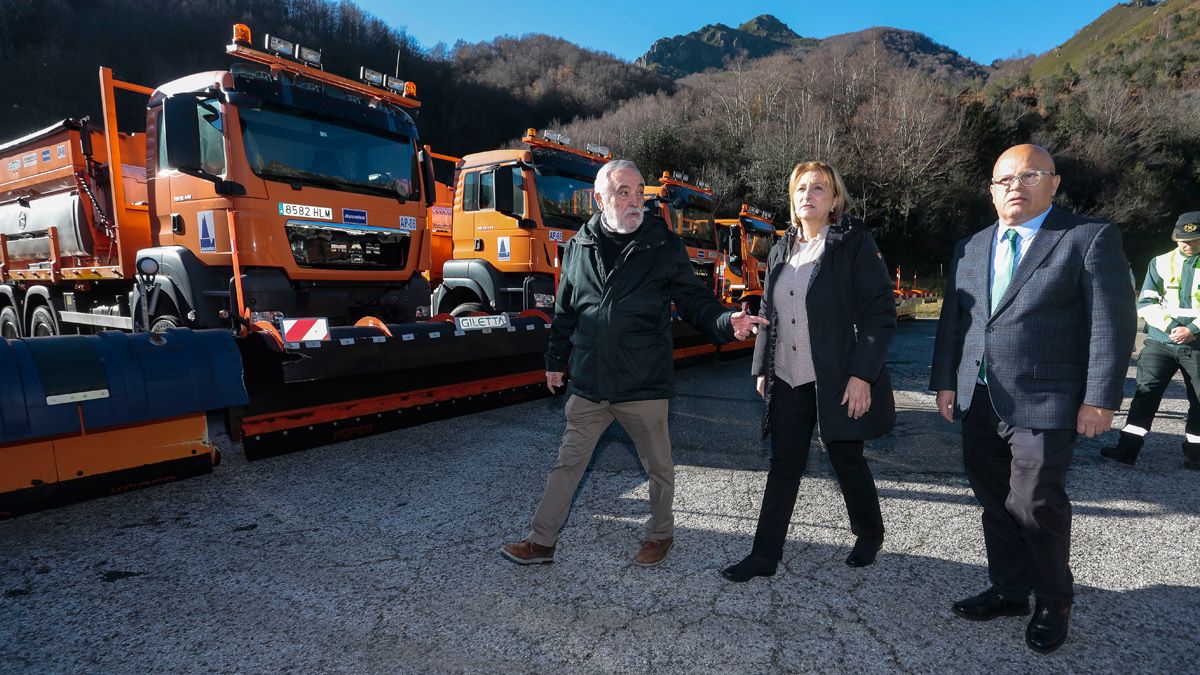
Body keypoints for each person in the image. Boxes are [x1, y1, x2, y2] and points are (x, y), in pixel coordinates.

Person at [501, 160, 768, 567]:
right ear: (599, 198)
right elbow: (566, 311)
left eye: (638, 191)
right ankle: (541, 542)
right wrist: (556, 360)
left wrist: (725, 321)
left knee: (658, 467)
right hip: (590, 380)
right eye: (623, 191)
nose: (634, 200)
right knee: (568, 462)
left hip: (643, 380)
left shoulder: (663, 246)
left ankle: (660, 534)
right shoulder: (579, 246)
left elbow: (695, 301)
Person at [930, 144, 1136, 654]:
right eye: (1004, 180)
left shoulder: (1087, 238)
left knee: (1035, 503)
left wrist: (1100, 399)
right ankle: (1008, 589)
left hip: (1048, 399)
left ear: (1054, 182)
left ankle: (1053, 601)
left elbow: (1113, 324)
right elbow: (956, 321)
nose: (1014, 187)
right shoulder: (971, 246)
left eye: (1029, 176)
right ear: (992, 190)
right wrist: (946, 382)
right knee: (993, 500)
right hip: (980, 397)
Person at [719, 161, 895, 584]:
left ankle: (869, 533)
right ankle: (764, 555)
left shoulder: (853, 242)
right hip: (788, 376)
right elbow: (767, 311)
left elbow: (880, 314)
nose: (808, 196)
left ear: (834, 199)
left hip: (837, 376)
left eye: (819, 188)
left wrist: (862, 376)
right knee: (784, 464)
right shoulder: (781, 248)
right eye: (801, 189)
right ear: (792, 199)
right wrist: (762, 366)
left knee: (846, 457)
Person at [1103, 211, 1200, 470]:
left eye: (1193, 239)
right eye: (1182, 239)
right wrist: (1171, 326)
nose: (1187, 244)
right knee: (1145, 395)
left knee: (1199, 400)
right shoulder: (1160, 262)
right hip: (1161, 342)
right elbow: (1146, 301)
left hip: (1197, 345)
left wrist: (1192, 329)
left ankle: (1195, 455)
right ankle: (1127, 450)